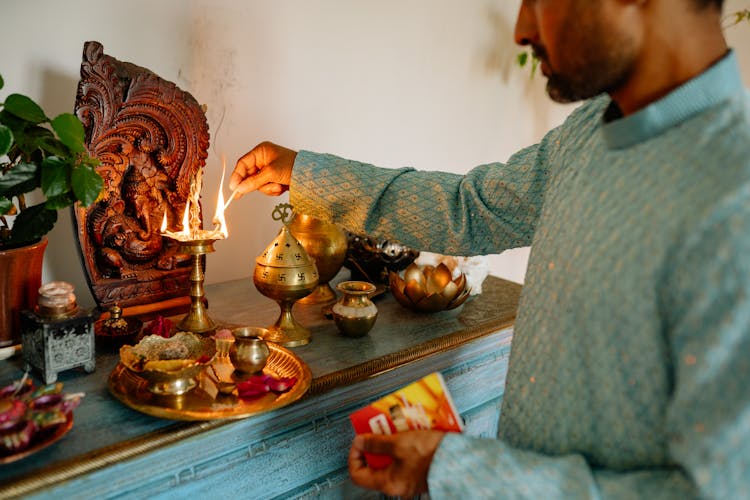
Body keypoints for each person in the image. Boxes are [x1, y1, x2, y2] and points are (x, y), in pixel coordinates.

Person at [230, 0, 750, 497]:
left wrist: (463, 474)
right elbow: (470, 208)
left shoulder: (732, 204)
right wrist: (305, 173)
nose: (522, 30)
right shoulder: (590, 132)